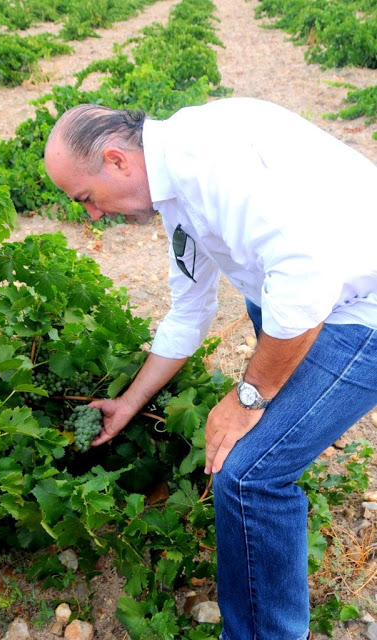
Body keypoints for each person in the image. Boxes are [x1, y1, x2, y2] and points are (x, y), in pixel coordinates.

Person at [45, 98, 377, 640]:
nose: (93, 215)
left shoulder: (208, 159)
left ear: (116, 161)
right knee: (269, 348)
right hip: (312, 295)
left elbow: (308, 279)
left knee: (249, 473)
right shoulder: (174, 183)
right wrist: (129, 403)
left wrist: (250, 396)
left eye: (86, 198)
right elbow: (191, 310)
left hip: (363, 304)